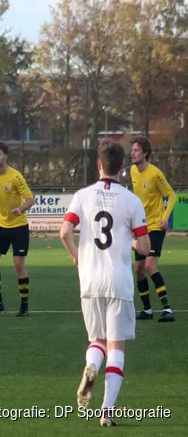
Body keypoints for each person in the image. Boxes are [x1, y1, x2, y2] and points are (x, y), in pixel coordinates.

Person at [59, 140, 150, 427]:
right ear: (122, 167)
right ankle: (107, 412)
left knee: (96, 341)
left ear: (98, 165)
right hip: (118, 282)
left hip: (90, 281)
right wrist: (134, 240)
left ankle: (91, 366)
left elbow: (64, 232)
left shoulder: (83, 195)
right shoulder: (131, 200)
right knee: (117, 347)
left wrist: (77, 257)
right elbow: (145, 248)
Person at [0, 142, 36, 318]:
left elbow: (30, 199)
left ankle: (24, 306)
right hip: (1, 226)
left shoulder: (16, 177)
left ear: (5, 156)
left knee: (19, 264)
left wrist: (20, 209)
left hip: (19, 226)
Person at [129, 136, 176, 322]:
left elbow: (171, 195)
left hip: (155, 226)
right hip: (140, 226)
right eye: (132, 150)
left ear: (145, 153)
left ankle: (168, 309)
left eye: (136, 150)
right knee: (139, 269)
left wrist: (165, 217)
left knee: (149, 265)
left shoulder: (155, 174)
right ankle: (147, 310)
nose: (132, 153)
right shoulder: (133, 171)